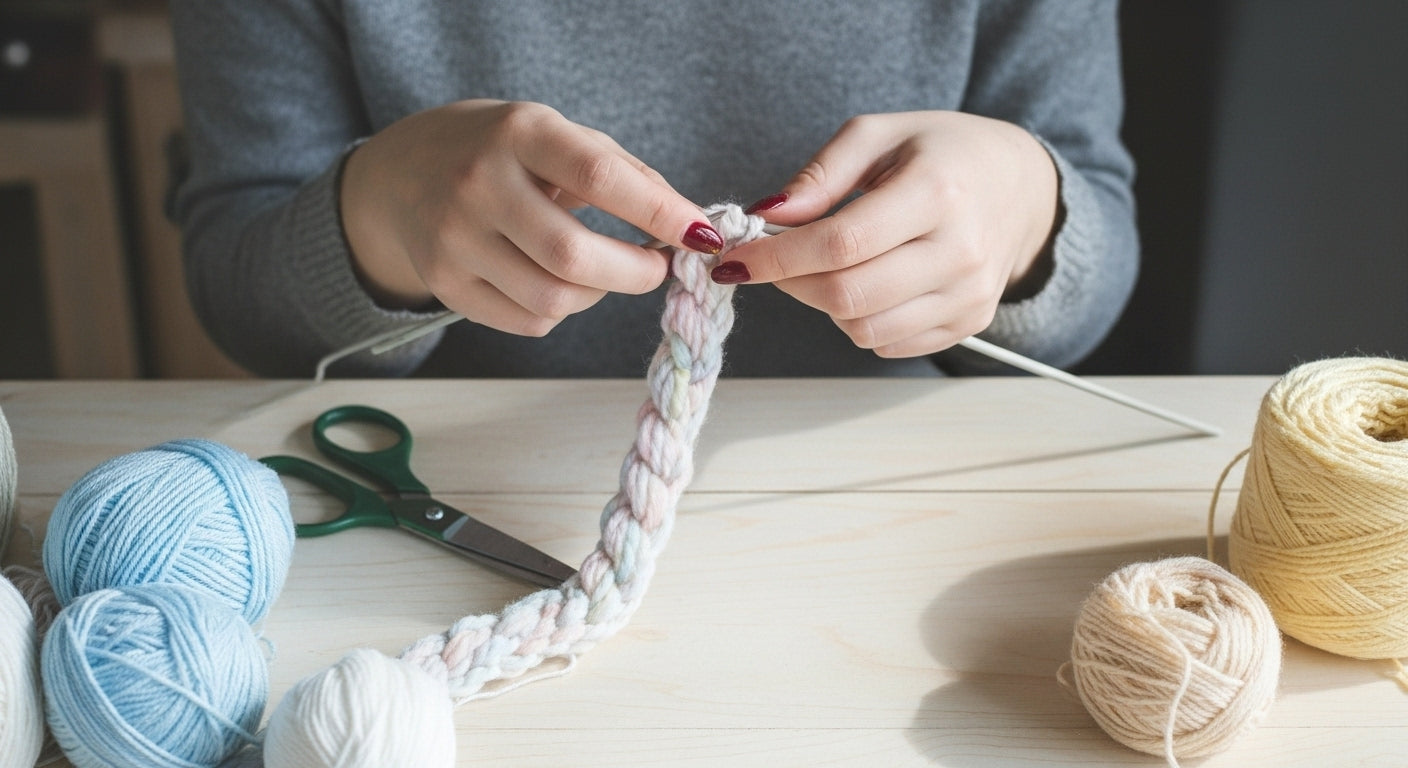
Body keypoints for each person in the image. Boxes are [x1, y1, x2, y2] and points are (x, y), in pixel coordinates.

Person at [168, 0, 1137, 379]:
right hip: (456, 503)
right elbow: (240, 295)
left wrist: (1027, 219)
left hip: (888, 504)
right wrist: (373, 219)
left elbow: (1093, 260)